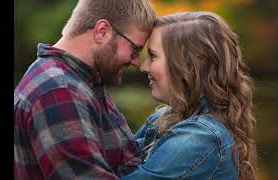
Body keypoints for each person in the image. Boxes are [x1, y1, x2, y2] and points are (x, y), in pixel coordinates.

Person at [14, 0, 156, 179]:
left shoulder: (82, 81)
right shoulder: (59, 91)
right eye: (135, 49)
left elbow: (125, 157)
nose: (136, 62)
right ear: (102, 32)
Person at [121, 11, 257, 180]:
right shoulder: (164, 117)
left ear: (188, 66)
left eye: (153, 56)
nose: (144, 67)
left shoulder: (201, 137)